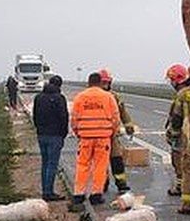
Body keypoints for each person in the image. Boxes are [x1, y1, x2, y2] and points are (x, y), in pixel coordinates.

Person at [69, 72, 120, 210]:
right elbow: (116, 118)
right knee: (100, 166)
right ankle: (96, 194)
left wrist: (78, 133)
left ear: (88, 82)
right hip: (103, 137)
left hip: (85, 137)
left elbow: (74, 118)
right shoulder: (108, 97)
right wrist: (111, 133)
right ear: (100, 82)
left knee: (82, 165)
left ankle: (79, 194)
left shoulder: (80, 97)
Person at [164, 64, 190, 215]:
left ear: (176, 80)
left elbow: (176, 118)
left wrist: (172, 135)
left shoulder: (182, 94)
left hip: (188, 137)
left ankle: (187, 204)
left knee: (187, 168)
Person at [32, 75, 68, 201]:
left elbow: (35, 116)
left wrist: (38, 129)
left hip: (41, 134)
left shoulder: (38, 97)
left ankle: (45, 189)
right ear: (59, 85)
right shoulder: (59, 98)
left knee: (45, 163)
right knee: (52, 164)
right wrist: (63, 134)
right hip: (55, 135)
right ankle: (48, 192)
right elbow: (64, 118)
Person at [98, 68, 135, 192]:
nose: (105, 85)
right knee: (101, 161)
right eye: (103, 83)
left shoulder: (114, 96)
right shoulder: (95, 96)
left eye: (106, 83)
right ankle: (103, 183)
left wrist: (129, 127)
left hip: (112, 134)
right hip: (100, 134)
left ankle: (121, 183)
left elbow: (123, 112)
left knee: (116, 159)